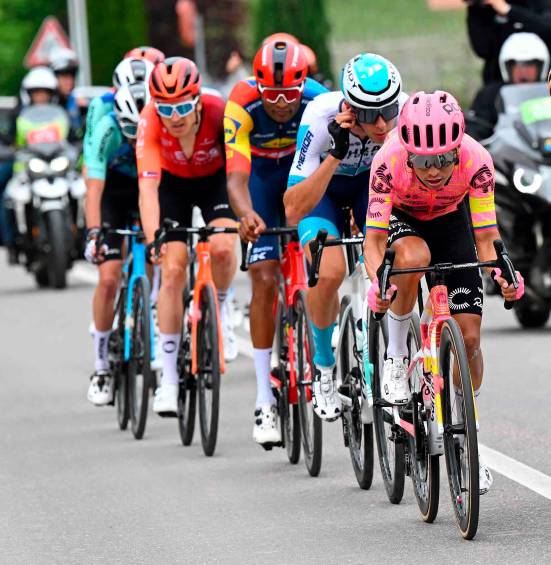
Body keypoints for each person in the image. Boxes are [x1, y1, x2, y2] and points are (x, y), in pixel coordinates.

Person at [363, 90, 524, 493]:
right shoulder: (387, 161)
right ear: (408, 152)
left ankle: (470, 441)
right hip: (404, 223)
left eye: (442, 160)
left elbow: (486, 236)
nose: (433, 171)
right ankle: (397, 354)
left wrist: (503, 273)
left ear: (457, 151)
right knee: (413, 254)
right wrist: (378, 281)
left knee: (469, 339)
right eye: (422, 161)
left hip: (451, 223)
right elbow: (374, 242)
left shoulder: (476, 160)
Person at [284, 53, 406, 421]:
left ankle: (397, 353)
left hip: (370, 190)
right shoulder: (320, 117)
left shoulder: (400, 119)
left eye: (389, 109)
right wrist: (335, 155)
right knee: (330, 268)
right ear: (350, 107)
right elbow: (293, 207)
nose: (383, 123)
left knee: (398, 257)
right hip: (324, 194)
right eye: (370, 115)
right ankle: (323, 368)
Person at [224, 38, 327, 445]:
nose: (282, 103)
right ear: (258, 84)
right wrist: (246, 215)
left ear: (303, 84)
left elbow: (329, 169)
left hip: (301, 177)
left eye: (290, 93)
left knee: (319, 262)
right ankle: (264, 398)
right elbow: (235, 177)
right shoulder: (241, 101)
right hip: (261, 182)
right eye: (273, 94)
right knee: (264, 279)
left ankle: (322, 349)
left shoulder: (318, 99)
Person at [137, 57, 238, 416]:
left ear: (197, 101)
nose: (174, 116)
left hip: (215, 183)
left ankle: (222, 305)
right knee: (173, 269)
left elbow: (238, 172)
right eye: (166, 108)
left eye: (182, 106)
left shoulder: (219, 111)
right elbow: (148, 190)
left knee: (224, 245)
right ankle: (167, 380)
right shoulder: (149, 122)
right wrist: (154, 240)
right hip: (172, 188)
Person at [84, 82, 149, 405]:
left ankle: (150, 314)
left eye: (142, 130)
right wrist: (94, 232)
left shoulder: (160, 128)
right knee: (108, 278)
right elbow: (93, 189)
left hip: (146, 188)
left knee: (160, 255)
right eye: (130, 130)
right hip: (112, 193)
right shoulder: (107, 128)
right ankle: (101, 368)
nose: (136, 137)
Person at [83, 54, 158, 179]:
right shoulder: (101, 105)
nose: (135, 95)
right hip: (115, 168)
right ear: (115, 90)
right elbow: (91, 149)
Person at [468, 32, 550, 139]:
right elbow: (476, 128)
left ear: (541, 67)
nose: (523, 72)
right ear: (507, 67)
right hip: (506, 154)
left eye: (529, 65)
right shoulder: (490, 95)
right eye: (517, 66)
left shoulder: (548, 92)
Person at [466, 0, 551, 84]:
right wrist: (478, 9)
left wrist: (508, 10)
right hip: (499, 80)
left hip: (543, 81)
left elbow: (547, 26)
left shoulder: (538, 3)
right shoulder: (480, 8)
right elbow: (482, 50)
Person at [49, 47, 82, 135]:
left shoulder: (77, 102)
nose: (69, 82)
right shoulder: (46, 102)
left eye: (72, 76)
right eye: (64, 76)